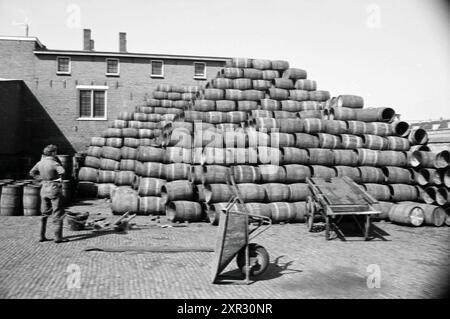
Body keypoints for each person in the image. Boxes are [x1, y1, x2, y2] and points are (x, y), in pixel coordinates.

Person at [29, 144, 68, 243]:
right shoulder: (54, 163)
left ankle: (41, 236)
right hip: (54, 188)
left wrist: (41, 179)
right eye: (56, 152)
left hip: (44, 188)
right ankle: (58, 237)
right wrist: (59, 179)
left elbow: (32, 173)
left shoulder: (40, 163)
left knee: (44, 213)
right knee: (57, 213)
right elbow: (62, 171)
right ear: (53, 153)